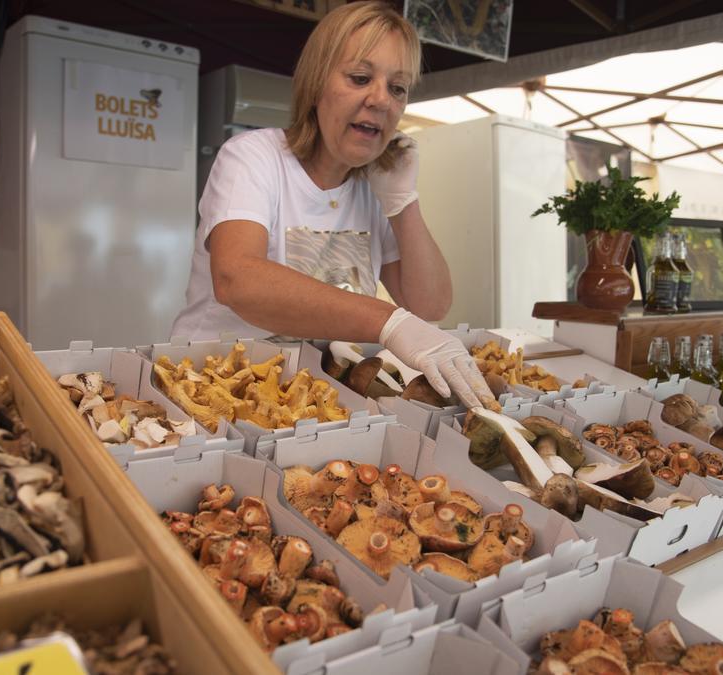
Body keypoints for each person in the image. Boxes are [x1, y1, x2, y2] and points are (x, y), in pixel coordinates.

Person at [171, 1, 494, 409]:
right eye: (361, 78)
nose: (381, 100)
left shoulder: (374, 188)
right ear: (315, 84)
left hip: (311, 398)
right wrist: (387, 322)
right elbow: (237, 278)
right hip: (210, 386)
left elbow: (430, 304)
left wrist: (402, 201)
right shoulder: (254, 156)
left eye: (398, 87)